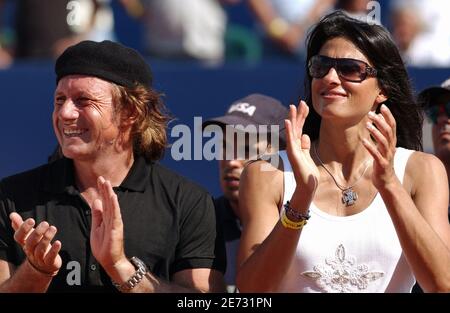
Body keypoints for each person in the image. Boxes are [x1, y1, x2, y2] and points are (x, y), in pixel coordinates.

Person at [235, 11, 450, 293]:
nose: (331, 78)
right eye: (321, 66)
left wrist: (389, 185)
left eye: (350, 68)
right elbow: (252, 292)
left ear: (382, 89)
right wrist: (300, 199)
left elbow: (442, 284)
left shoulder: (422, 170)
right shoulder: (267, 173)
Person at [0, 40, 225, 292]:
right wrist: (37, 271)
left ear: (130, 112)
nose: (64, 113)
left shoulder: (188, 202)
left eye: (83, 100)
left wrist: (119, 266)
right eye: (59, 100)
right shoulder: (11, 199)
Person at [202, 93, 288, 292]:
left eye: (247, 149)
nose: (232, 161)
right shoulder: (198, 224)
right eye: (225, 146)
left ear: (283, 156)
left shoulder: (309, 225)